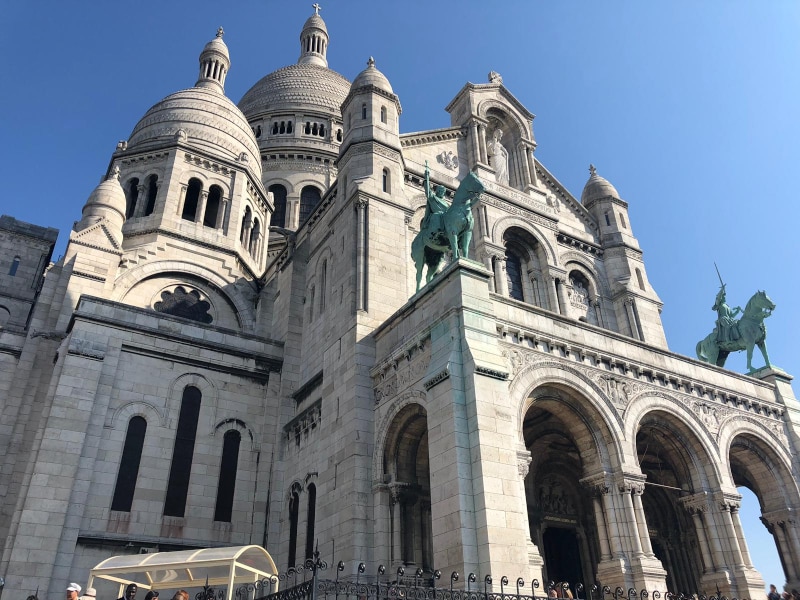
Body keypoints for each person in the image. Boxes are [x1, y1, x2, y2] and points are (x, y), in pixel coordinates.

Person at [421, 162, 449, 232]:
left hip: (445, 221)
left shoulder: (446, 204)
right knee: (436, 216)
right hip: (436, 219)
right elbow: (427, 190)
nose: (442, 193)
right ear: (437, 191)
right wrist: (426, 177)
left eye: (443, 192)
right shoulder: (433, 198)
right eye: (441, 191)